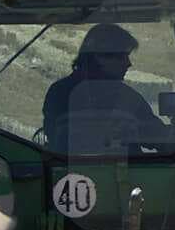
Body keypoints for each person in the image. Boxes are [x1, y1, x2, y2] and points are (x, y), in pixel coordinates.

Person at [42, 24, 167, 153]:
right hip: (127, 172)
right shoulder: (128, 98)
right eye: (122, 56)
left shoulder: (58, 92)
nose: (128, 63)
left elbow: (53, 136)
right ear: (101, 57)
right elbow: (159, 138)